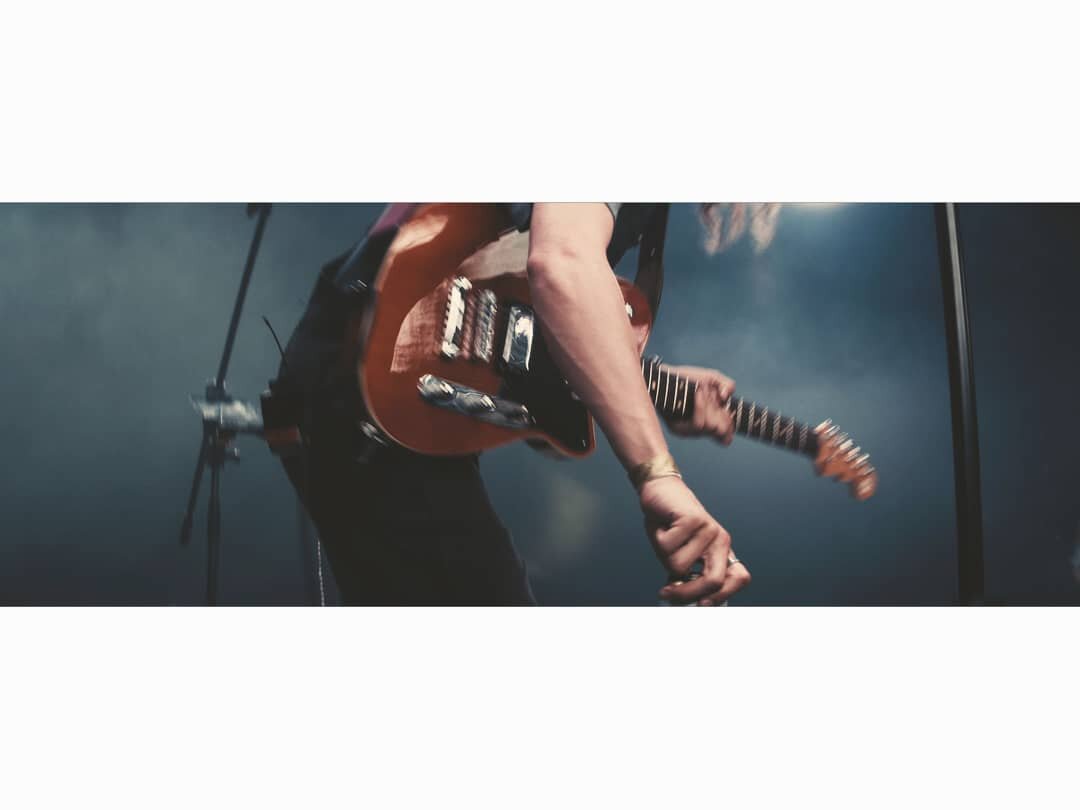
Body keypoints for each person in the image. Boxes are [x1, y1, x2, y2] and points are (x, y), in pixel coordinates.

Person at [276, 203, 751, 606]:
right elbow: (563, 266)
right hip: (377, 384)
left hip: (359, 370)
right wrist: (658, 474)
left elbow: (535, 318)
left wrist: (638, 388)